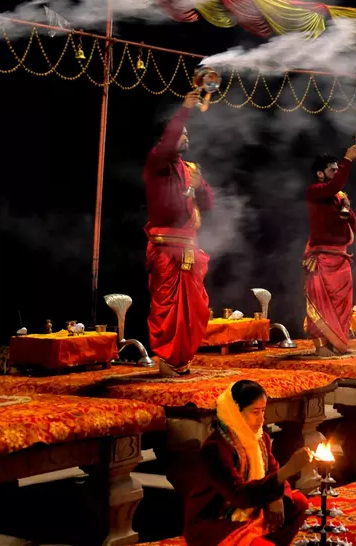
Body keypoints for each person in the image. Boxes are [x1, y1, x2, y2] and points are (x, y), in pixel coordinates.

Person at [184, 380, 312, 546]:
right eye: (255, 412)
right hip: (219, 520)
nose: (261, 419)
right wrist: (286, 472)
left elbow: (273, 471)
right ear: (236, 412)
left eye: (263, 411)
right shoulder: (216, 448)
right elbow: (239, 496)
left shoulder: (261, 438)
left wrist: (277, 497)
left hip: (253, 508)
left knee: (298, 503)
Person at [143, 89, 214, 377]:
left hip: (190, 249)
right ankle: (166, 361)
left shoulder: (191, 168)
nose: (186, 137)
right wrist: (184, 108)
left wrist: (199, 186)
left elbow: (208, 204)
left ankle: (182, 360)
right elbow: (169, 140)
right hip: (165, 248)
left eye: (187, 133)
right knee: (167, 309)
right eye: (180, 133)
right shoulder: (157, 161)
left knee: (196, 309)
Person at [304, 148, 356, 356]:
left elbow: (354, 225)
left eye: (339, 169)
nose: (337, 173)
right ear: (320, 173)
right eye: (332, 170)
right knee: (321, 304)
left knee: (342, 305)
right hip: (322, 257)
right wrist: (348, 160)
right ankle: (321, 346)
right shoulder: (314, 191)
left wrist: (346, 207)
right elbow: (335, 185)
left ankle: (336, 343)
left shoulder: (337, 195)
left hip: (341, 257)